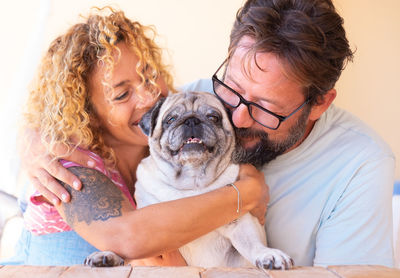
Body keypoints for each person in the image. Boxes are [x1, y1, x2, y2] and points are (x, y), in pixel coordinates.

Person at [16, 0, 396, 267]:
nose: (237, 117)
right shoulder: (198, 103)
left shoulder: (361, 166)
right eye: (230, 88)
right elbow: (91, 107)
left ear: (319, 103)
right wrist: (35, 140)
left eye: (266, 108)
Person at [2, 7, 268, 266]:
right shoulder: (70, 164)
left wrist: (242, 174)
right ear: (87, 113)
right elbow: (128, 239)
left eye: (150, 76)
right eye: (121, 95)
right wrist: (244, 193)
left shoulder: (166, 133)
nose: (149, 98)